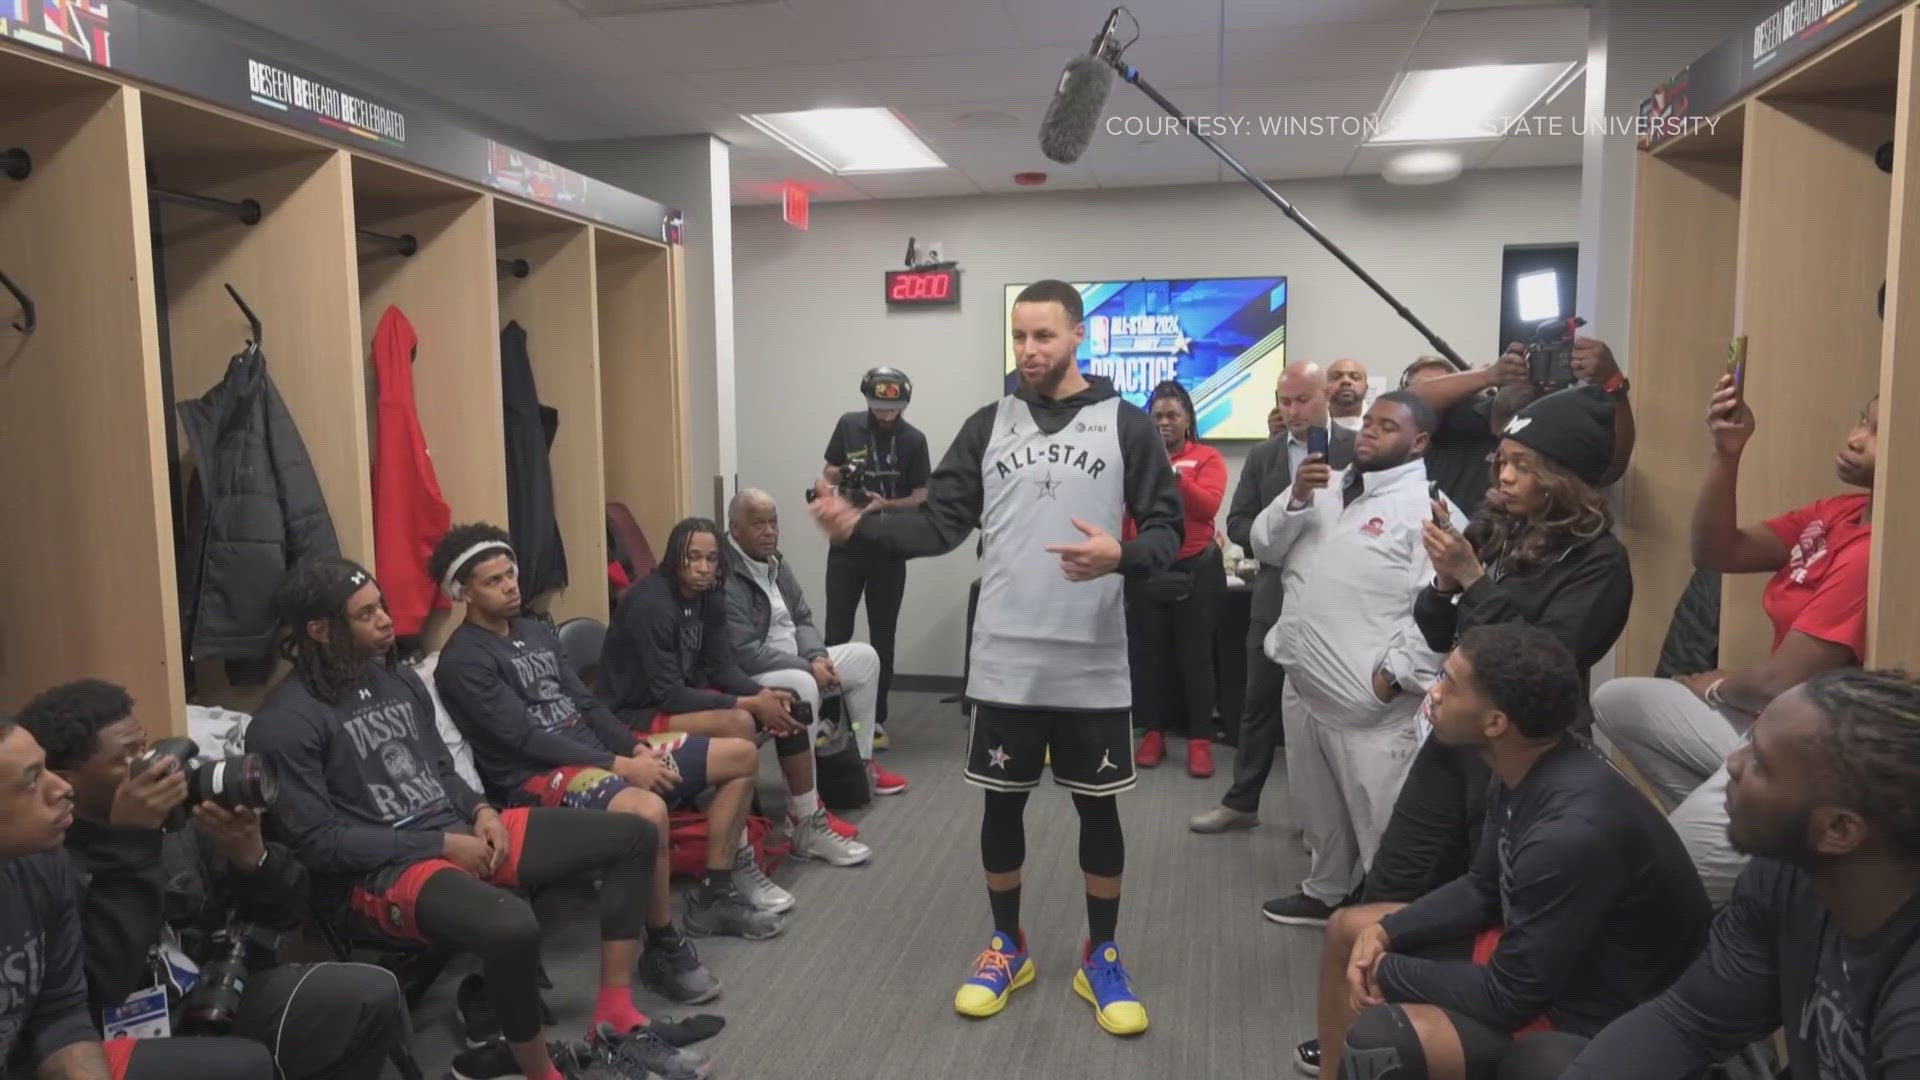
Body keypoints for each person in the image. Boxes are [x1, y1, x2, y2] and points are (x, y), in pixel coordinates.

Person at [808, 278, 1183, 1036]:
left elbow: (1170, 534)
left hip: (1091, 661)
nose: (1029, 350)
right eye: (1019, 337)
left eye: (1044, 335)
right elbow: (942, 525)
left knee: (1097, 809)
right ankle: (1007, 944)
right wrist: (859, 530)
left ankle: (1100, 955)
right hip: (1007, 660)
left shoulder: (1128, 425)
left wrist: (1123, 554)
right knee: (999, 806)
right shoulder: (989, 425)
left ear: (1078, 335)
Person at [244, 558, 705, 1080]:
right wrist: (443, 846)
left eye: (382, 606)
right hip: (381, 872)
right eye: (365, 614)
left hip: (455, 831)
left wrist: (482, 811)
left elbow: (440, 766)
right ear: (319, 630)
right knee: (511, 924)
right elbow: (319, 845)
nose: (386, 621)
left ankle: (615, 1015)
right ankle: (539, 1072)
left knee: (635, 836)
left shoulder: (396, 681)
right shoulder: (283, 722)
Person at [1289, 387, 1636, 1074]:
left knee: (1485, 901)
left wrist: (1473, 580)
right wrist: (1446, 586)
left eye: (1523, 466)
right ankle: (1368, 1033)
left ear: (1563, 479)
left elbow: (1545, 667)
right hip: (1453, 740)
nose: (1503, 477)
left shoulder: (1600, 562)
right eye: (1501, 461)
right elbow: (1437, 629)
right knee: (1394, 881)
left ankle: (1425, 1038)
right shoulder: (1493, 528)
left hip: (1522, 754)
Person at [1323, 625, 1712, 1080]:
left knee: (1385, 1036)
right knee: (1349, 928)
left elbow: (1507, 997)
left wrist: (1386, 969)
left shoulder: (1570, 832)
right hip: (1550, 961)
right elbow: (1483, 886)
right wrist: (1387, 932)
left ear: (1495, 723)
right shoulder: (1518, 763)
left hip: (1610, 1015)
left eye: (1449, 680)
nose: (1435, 690)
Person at [428, 523, 776, 988]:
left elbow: (587, 704)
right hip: (539, 778)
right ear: (462, 592)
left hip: (596, 754)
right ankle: (662, 941)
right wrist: (621, 765)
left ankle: (714, 893)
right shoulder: (464, 660)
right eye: (493, 581)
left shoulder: (534, 630)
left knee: (739, 755)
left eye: (510, 573)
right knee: (647, 809)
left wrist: (633, 747)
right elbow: (525, 739)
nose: (511, 585)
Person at [17, 680, 411, 1080]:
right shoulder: (46, 857)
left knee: (367, 995)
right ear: (68, 780)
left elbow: (283, 918)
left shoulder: (174, 824)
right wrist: (130, 843)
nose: (150, 766)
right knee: (241, 1063)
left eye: (144, 746)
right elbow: (96, 989)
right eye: (126, 758)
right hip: (116, 1033)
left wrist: (253, 858)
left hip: (206, 994)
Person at [1548, 669, 1920, 1080]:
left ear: (1838, 830)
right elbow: (1687, 1022)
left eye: (1760, 762)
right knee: (1553, 1057)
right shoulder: (1788, 875)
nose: (1733, 763)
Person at [1594, 382, 1878, 903]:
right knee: (1618, 699)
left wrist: (1717, 688)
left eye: (1877, 432)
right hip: (1770, 720)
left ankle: (1730, 852)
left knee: (1660, 879)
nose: (1855, 438)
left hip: (1815, 741)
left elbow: (1782, 681)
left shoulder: (1871, 553)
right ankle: (1755, 838)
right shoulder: (1840, 513)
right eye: (1862, 419)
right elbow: (1717, 550)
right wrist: (1727, 453)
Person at [1250, 390, 1459, 928]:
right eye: (1369, 422)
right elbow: (1264, 547)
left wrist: (1394, 677)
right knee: (1319, 810)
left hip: (1370, 705)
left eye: (1387, 427)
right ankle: (1325, 892)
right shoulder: (1324, 489)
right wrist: (1294, 496)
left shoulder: (1429, 510)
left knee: (1382, 825)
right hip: (1303, 686)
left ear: (1419, 442)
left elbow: (1443, 601)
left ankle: (1389, 927)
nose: (1368, 432)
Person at [0, 720, 274, 1080]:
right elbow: (106, 984)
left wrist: (256, 862)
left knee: (244, 1064)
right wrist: (129, 842)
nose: (62, 788)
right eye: (32, 780)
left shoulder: (42, 862)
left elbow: (61, 1012)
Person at [602, 517, 873, 868]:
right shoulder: (649, 602)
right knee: (740, 720)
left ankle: (805, 822)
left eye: (711, 559)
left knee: (786, 700)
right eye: (692, 558)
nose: (702, 568)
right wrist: (749, 702)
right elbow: (668, 693)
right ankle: (737, 855)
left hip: (681, 697)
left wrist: (765, 695)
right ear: (674, 558)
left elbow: (721, 667)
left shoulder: (709, 596)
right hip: (634, 713)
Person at [1192, 360, 1355, 834]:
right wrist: (1279, 525)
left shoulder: (1357, 449)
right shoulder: (1265, 456)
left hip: (1333, 598)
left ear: (1324, 395)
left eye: (1303, 399)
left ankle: (1324, 819)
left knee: (1328, 707)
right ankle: (1242, 802)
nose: (1293, 410)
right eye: (1285, 401)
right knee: (1257, 703)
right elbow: (1238, 524)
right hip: (1272, 595)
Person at [720, 490, 909, 799]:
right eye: (758, 524)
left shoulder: (775, 563)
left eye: (773, 522)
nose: (769, 532)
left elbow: (803, 619)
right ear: (735, 528)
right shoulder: (725, 575)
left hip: (797, 661)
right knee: (803, 684)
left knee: (865, 658)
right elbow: (746, 652)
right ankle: (807, 800)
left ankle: (861, 763)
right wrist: (808, 667)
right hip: (755, 674)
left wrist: (817, 657)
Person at [821, 365, 933, 745]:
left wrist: (888, 503)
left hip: (888, 547)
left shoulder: (914, 440)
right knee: (836, 632)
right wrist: (841, 476)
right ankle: (829, 717)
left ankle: (876, 720)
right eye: (879, 407)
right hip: (846, 545)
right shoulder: (849, 425)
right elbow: (827, 471)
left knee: (883, 636)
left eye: (893, 408)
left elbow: (921, 495)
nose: (886, 414)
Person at [1128, 380, 1228, 778]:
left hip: (1196, 569)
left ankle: (1200, 740)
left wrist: (1175, 476)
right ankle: (1154, 733)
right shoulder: (1135, 461)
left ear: (1188, 420)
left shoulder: (1207, 458)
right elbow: (1126, 511)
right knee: (1150, 658)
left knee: (1196, 657)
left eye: (1172, 415)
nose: (1164, 422)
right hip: (1148, 568)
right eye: (1157, 417)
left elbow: (1207, 509)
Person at [1327, 358, 1370, 432]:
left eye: (1355, 377)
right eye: (1336, 377)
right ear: (1325, 386)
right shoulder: (1312, 424)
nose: (1345, 381)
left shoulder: (1378, 428)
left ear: (1366, 388)